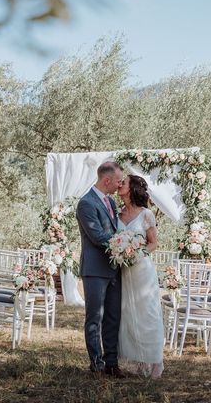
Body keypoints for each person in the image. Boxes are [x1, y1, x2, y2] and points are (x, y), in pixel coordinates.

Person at [76, 161, 125, 378]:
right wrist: (125, 244)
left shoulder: (112, 204)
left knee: (113, 317)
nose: (119, 185)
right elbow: (97, 236)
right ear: (107, 180)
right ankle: (96, 364)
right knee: (94, 318)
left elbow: (112, 230)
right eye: (117, 181)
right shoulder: (86, 203)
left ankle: (111, 363)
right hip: (95, 270)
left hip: (114, 269)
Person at [117, 175, 164, 378]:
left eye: (124, 182)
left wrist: (137, 253)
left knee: (148, 315)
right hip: (123, 272)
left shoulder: (146, 214)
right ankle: (139, 361)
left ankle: (154, 361)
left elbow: (153, 243)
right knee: (127, 315)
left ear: (133, 188)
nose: (120, 184)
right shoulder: (117, 214)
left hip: (143, 272)